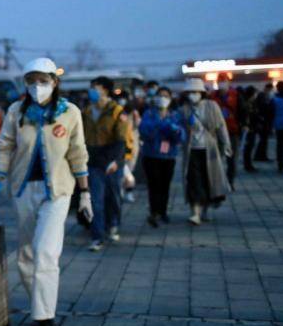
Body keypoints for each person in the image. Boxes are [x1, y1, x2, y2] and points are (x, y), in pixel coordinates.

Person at [0, 58, 91, 326]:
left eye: (42, 81)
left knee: (46, 252)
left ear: (54, 82)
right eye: (31, 81)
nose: (37, 86)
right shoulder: (17, 111)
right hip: (23, 191)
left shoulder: (70, 113)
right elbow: (5, 147)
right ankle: (38, 306)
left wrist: (85, 193)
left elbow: (78, 153)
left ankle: (46, 322)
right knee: (26, 256)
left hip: (57, 192)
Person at [82, 76, 129, 251]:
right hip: (93, 160)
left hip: (111, 160)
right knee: (96, 200)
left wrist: (116, 160)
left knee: (113, 196)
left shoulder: (117, 111)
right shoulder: (86, 111)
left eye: (96, 87)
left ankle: (114, 223)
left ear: (106, 90)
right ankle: (97, 236)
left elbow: (121, 139)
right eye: (92, 87)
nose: (92, 91)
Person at [181, 78, 231, 225]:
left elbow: (221, 126)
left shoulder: (211, 106)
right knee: (193, 181)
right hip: (191, 151)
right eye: (190, 92)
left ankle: (205, 209)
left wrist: (226, 143)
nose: (193, 95)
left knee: (209, 180)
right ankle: (195, 212)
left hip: (210, 150)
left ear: (202, 93)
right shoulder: (184, 109)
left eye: (196, 92)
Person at [139, 87, 186, 227]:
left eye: (166, 96)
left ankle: (163, 211)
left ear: (171, 98)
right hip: (151, 155)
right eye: (160, 95)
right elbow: (144, 131)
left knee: (165, 185)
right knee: (153, 185)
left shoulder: (175, 115)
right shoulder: (149, 114)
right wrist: (160, 125)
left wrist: (173, 130)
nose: (162, 98)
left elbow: (180, 136)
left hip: (168, 156)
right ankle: (154, 212)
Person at [211, 76, 241, 189]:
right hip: (216, 132)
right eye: (219, 82)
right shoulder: (212, 96)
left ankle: (230, 181)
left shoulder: (236, 95)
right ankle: (216, 181)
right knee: (215, 158)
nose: (221, 84)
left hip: (232, 131)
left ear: (228, 82)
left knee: (232, 159)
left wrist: (243, 125)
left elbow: (242, 111)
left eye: (224, 81)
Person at [238, 86, 259, 172]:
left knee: (249, 147)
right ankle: (248, 165)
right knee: (248, 147)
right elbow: (247, 117)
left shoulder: (250, 103)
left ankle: (248, 164)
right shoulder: (247, 104)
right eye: (255, 93)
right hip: (249, 129)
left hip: (251, 128)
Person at [253, 83, 275, 162]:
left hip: (263, 121)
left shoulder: (264, 96)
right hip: (263, 121)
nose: (269, 91)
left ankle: (261, 155)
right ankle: (260, 156)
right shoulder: (262, 96)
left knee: (263, 140)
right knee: (263, 139)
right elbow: (263, 108)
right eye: (269, 89)